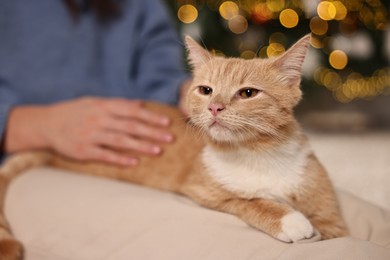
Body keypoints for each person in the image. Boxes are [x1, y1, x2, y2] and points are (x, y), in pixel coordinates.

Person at [0, 0, 190, 165]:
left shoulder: (143, 6)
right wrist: (36, 126)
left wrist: (183, 92)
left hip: (129, 161)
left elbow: (162, 80)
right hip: (21, 165)